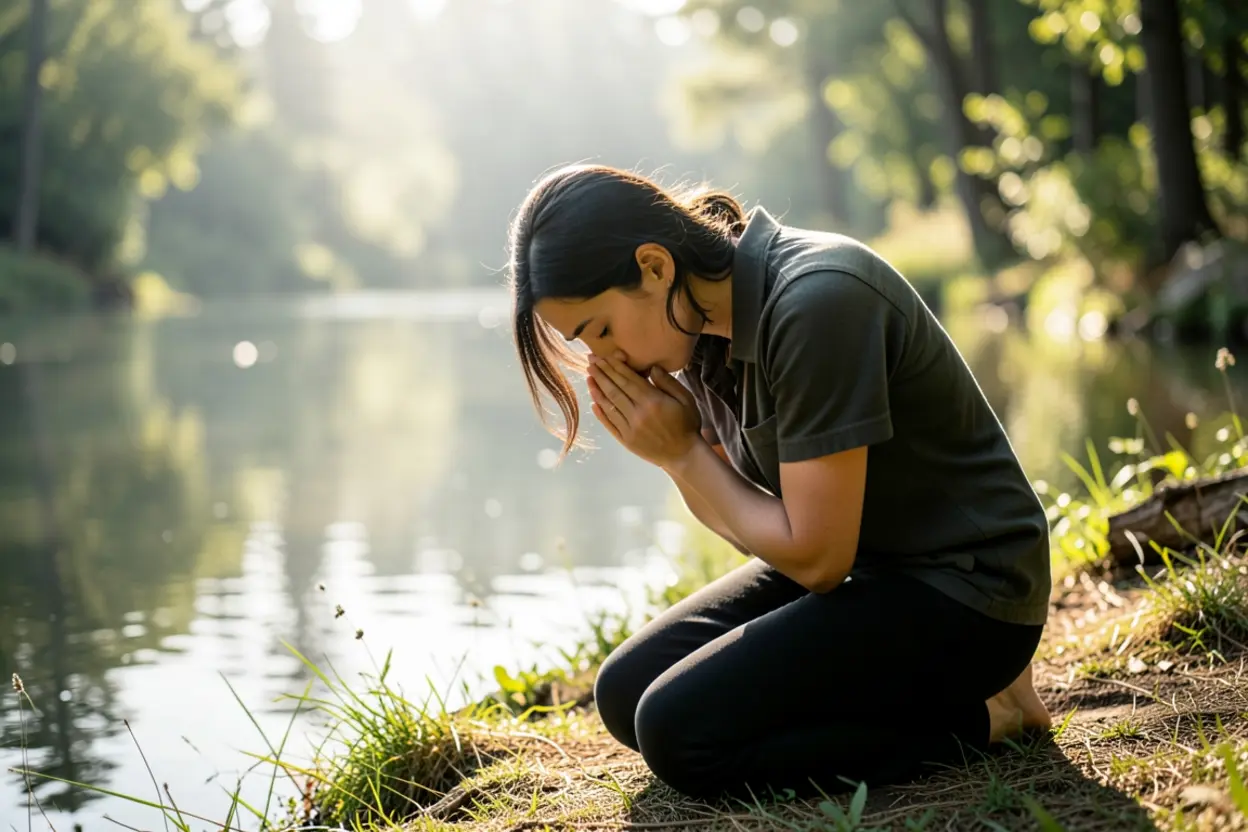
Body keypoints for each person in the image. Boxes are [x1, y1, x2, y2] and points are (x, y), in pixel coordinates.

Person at [505, 164, 1053, 801]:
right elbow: (757, 531)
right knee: (625, 693)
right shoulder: (704, 330)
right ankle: (916, 699)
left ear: (654, 266)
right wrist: (677, 455)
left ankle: (991, 715)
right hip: (875, 570)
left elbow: (817, 559)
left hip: (970, 591)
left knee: (679, 733)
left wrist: (685, 457)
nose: (605, 359)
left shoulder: (815, 303)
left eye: (599, 329)